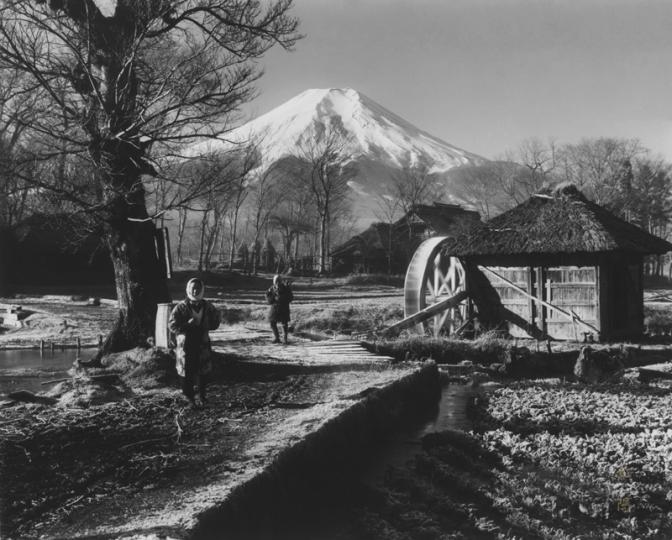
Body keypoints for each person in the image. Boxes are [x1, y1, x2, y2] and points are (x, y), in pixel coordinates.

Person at [169, 277, 221, 407]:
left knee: (203, 370)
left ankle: (202, 396)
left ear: (202, 289)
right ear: (188, 289)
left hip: (202, 344)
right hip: (186, 345)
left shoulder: (208, 306)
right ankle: (189, 398)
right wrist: (186, 325)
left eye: (198, 288)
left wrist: (209, 323)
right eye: (193, 288)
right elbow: (172, 326)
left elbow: (216, 322)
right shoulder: (180, 307)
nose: (195, 290)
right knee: (186, 371)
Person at [266, 274, 293, 344]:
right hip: (275, 308)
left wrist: (282, 297)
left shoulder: (286, 288)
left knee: (284, 324)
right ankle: (277, 338)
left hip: (284, 307)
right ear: (274, 281)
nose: (277, 282)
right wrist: (269, 295)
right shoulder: (271, 288)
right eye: (276, 281)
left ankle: (285, 339)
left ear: (281, 281)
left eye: (278, 280)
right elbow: (269, 301)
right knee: (272, 322)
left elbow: (290, 298)